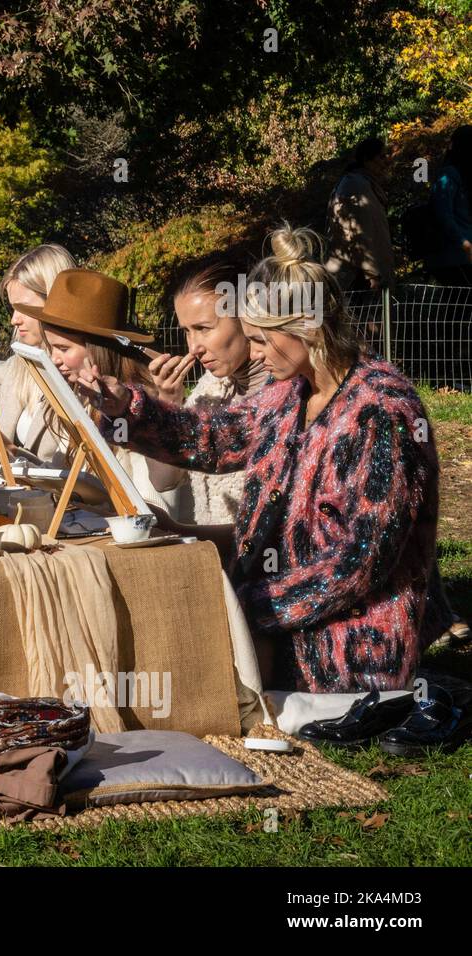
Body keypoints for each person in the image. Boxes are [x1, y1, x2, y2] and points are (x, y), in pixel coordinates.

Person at [81, 224, 442, 693]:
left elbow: (361, 561)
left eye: (260, 339)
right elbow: (211, 438)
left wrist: (251, 605)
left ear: (305, 327)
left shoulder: (382, 411)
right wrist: (126, 406)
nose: (252, 353)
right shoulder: (289, 394)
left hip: (351, 651)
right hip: (276, 621)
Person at [7, 268, 182, 514]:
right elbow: (67, 474)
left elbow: (156, 497)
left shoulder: (137, 400)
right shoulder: (77, 392)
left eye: (63, 349)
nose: (54, 359)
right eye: (50, 347)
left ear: (98, 349)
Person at [147, 253, 267, 530]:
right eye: (187, 331)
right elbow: (164, 480)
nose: (194, 347)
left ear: (247, 318)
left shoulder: (289, 396)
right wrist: (168, 403)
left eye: (203, 328)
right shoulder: (208, 390)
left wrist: (185, 533)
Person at [0, 243, 78, 462]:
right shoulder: (20, 364)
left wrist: (15, 455)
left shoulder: (81, 373)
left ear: (55, 303)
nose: (14, 319)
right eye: (12, 308)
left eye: (24, 308)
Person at [324, 137, 394, 292]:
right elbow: (357, 232)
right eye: (381, 157)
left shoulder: (365, 184)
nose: (387, 162)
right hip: (357, 277)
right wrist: (372, 273)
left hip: (360, 272)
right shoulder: (356, 186)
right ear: (366, 159)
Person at [426, 124, 472, 287]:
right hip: (454, 258)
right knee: (458, 308)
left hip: (463, 256)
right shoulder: (449, 175)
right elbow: (443, 213)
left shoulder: (463, 175)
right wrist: (463, 243)